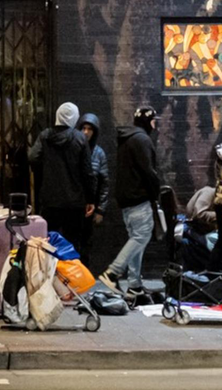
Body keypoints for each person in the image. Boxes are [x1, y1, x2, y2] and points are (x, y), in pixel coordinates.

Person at [106, 107, 167, 293]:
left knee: (135, 239)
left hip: (126, 200)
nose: (155, 125)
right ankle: (113, 272)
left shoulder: (127, 139)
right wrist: (155, 191)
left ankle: (134, 284)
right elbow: (148, 171)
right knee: (141, 236)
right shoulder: (142, 140)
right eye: (154, 121)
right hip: (139, 198)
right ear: (148, 122)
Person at [27, 103, 95, 255]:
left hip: (50, 200)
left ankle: (50, 276)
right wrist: (90, 198)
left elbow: (32, 157)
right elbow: (87, 172)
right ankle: (69, 277)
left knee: (48, 242)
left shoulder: (45, 135)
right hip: (74, 202)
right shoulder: (80, 138)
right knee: (72, 243)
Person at [76, 112, 112, 253]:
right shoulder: (74, 149)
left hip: (90, 206)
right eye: (83, 128)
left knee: (86, 244)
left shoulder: (98, 153)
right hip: (74, 204)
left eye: (89, 129)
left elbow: (104, 183)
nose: (86, 132)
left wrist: (101, 210)